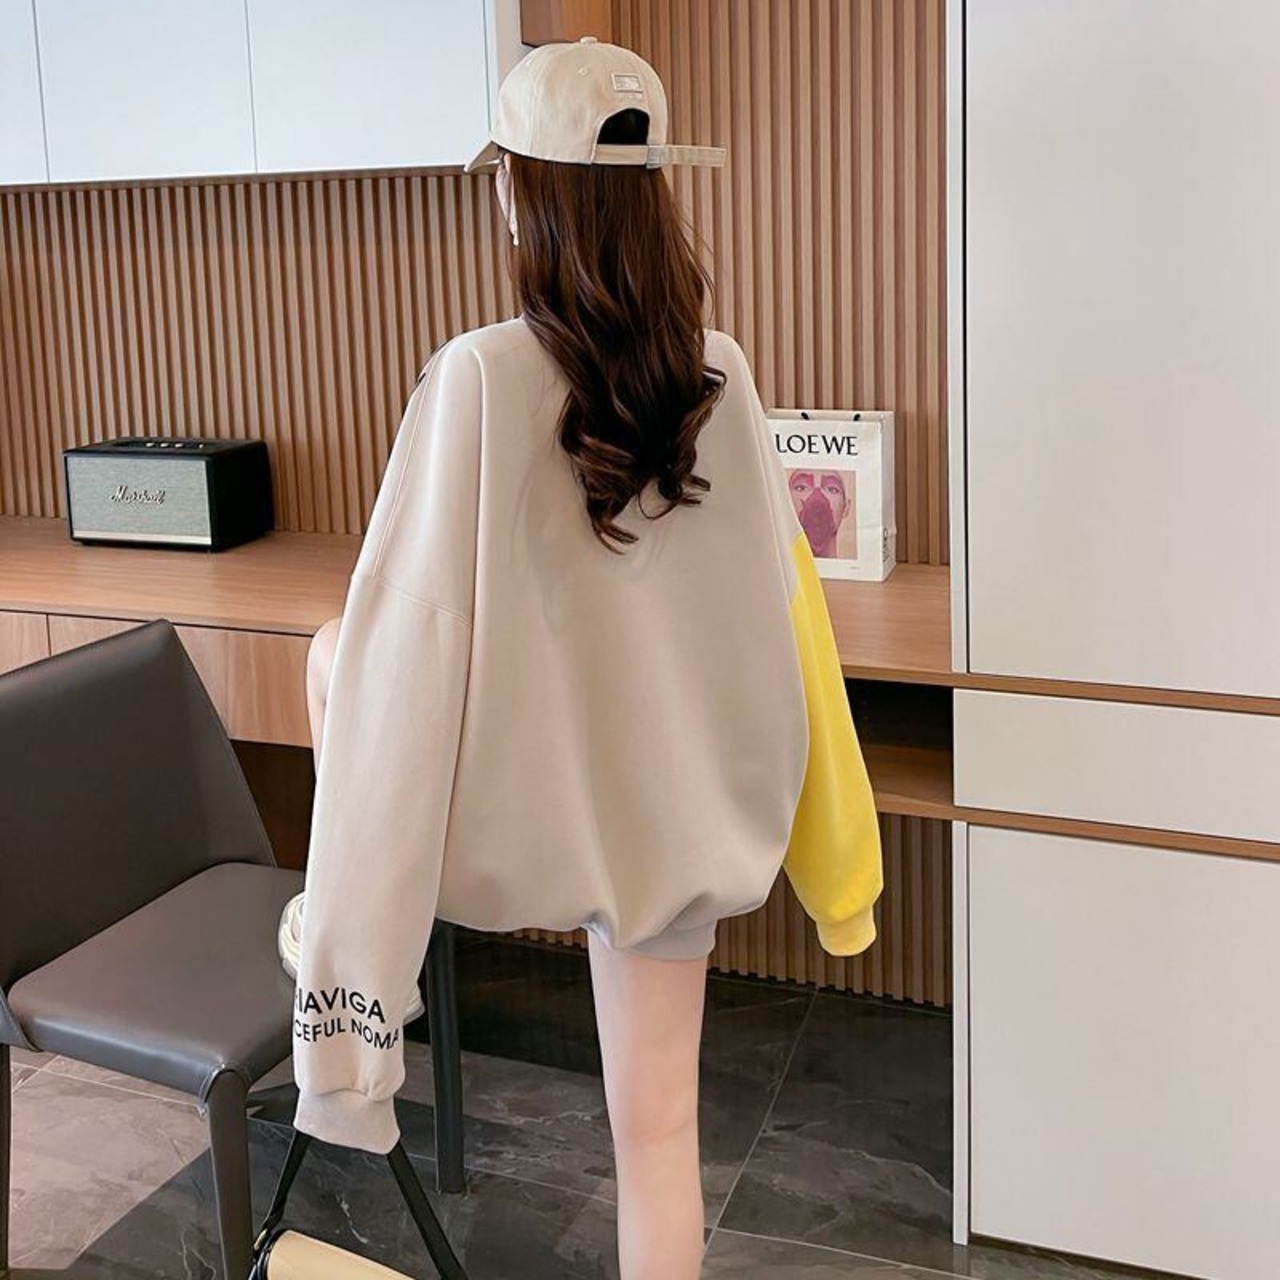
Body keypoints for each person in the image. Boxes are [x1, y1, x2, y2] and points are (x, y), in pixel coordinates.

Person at [292, 38, 882, 1280]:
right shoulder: (720, 370)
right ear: (655, 191)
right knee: (658, 1134)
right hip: (669, 824)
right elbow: (781, 610)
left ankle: (333, 924)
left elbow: (406, 645)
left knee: (341, 649)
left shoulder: (474, 375)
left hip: (511, 825)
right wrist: (836, 874)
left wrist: (348, 997)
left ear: (518, 194)